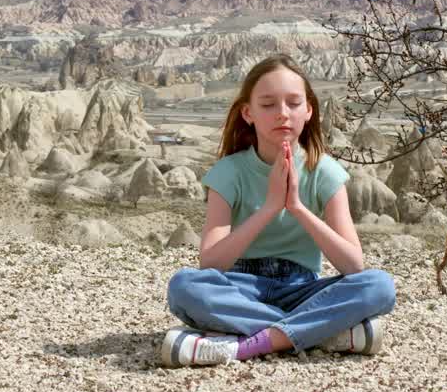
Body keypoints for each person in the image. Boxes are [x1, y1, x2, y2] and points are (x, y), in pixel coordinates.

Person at [161, 54, 396, 367]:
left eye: (294, 103)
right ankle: (322, 333)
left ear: (309, 110)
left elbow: (353, 264)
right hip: (238, 286)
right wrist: (270, 207)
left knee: (379, 286)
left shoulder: (325, 172)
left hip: (302, 288)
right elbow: (211, 262)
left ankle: (245, 346)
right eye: (268, 104)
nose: (282, 114)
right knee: (184, 287)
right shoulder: (228, 172)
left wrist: (296, 207)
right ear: (248, 113)